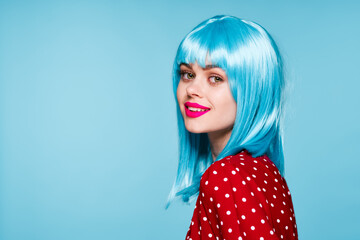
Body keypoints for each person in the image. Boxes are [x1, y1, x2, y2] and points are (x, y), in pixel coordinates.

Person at [166, 15, 298, 240]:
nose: (192, 90)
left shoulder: (225, 176)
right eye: (188, 74)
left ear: (253, 89)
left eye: (215, 78)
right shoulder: (266, 171)